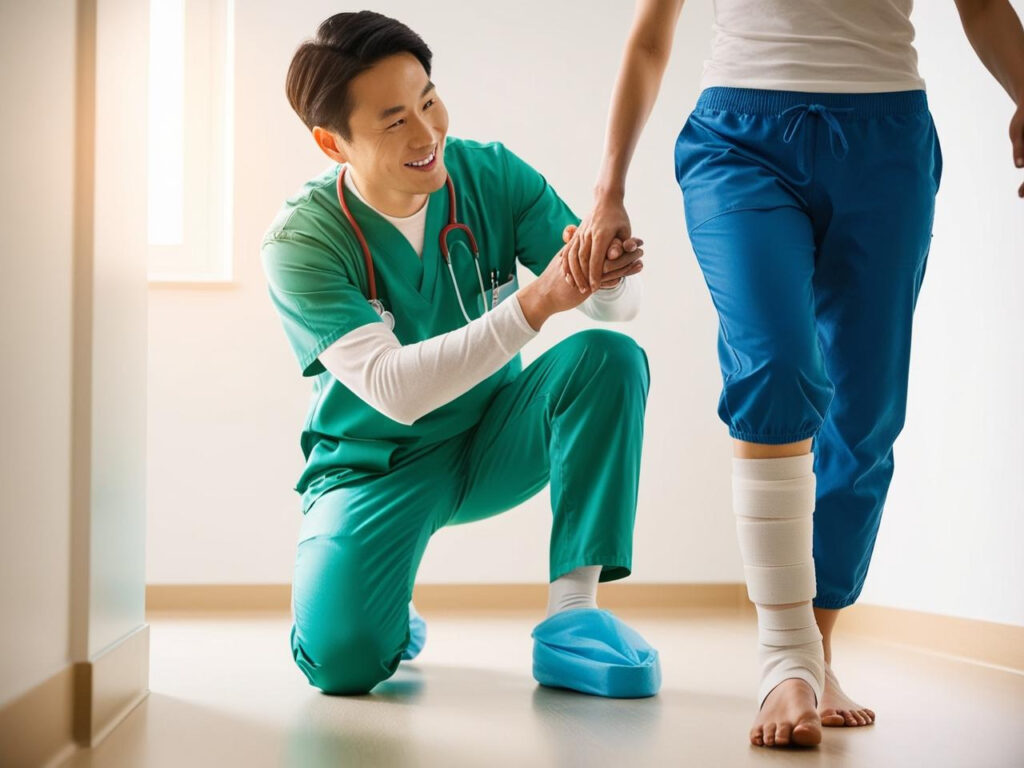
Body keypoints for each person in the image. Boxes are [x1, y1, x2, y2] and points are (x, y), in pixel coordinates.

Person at [563, 0, 1024, 748]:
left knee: (865, 414)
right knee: (775, 366)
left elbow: (979, 4)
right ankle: (784, 657)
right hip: (739, 139)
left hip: (887, 140)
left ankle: (817, 649)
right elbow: (651, 36)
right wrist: (607, 190)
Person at [261, 11, 661, 699]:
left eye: (428, 100)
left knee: (609, 358)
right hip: (377, 466)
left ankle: (574, 617)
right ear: (332, 143)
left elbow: (609, 309)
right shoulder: (302, 242)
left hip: (494, 434)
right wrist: (537, 303)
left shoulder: (491, 177)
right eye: (395, 122)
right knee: (342, 663)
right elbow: (395, 390)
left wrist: (608, 274)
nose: (427, 134)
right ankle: (379, 600)